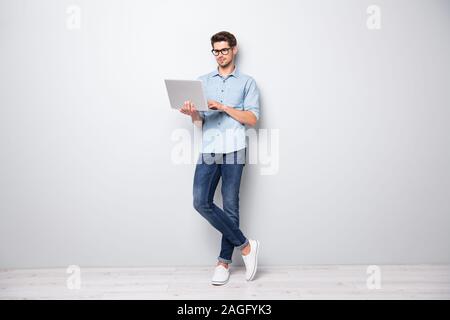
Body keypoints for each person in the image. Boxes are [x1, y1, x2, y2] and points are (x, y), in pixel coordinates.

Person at [179, 31, 261, 286]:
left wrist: (224, 107)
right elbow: (200, 122)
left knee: (230, 205)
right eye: (216, 51)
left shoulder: (247, 82)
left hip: (235, 149)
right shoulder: (202, 82)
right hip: (209, 149)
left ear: (234, 50)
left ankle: (224, 262)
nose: (220, 55)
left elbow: (252, 119)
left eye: (224, 50)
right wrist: (192, 114)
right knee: (200, 201)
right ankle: (246, 246)